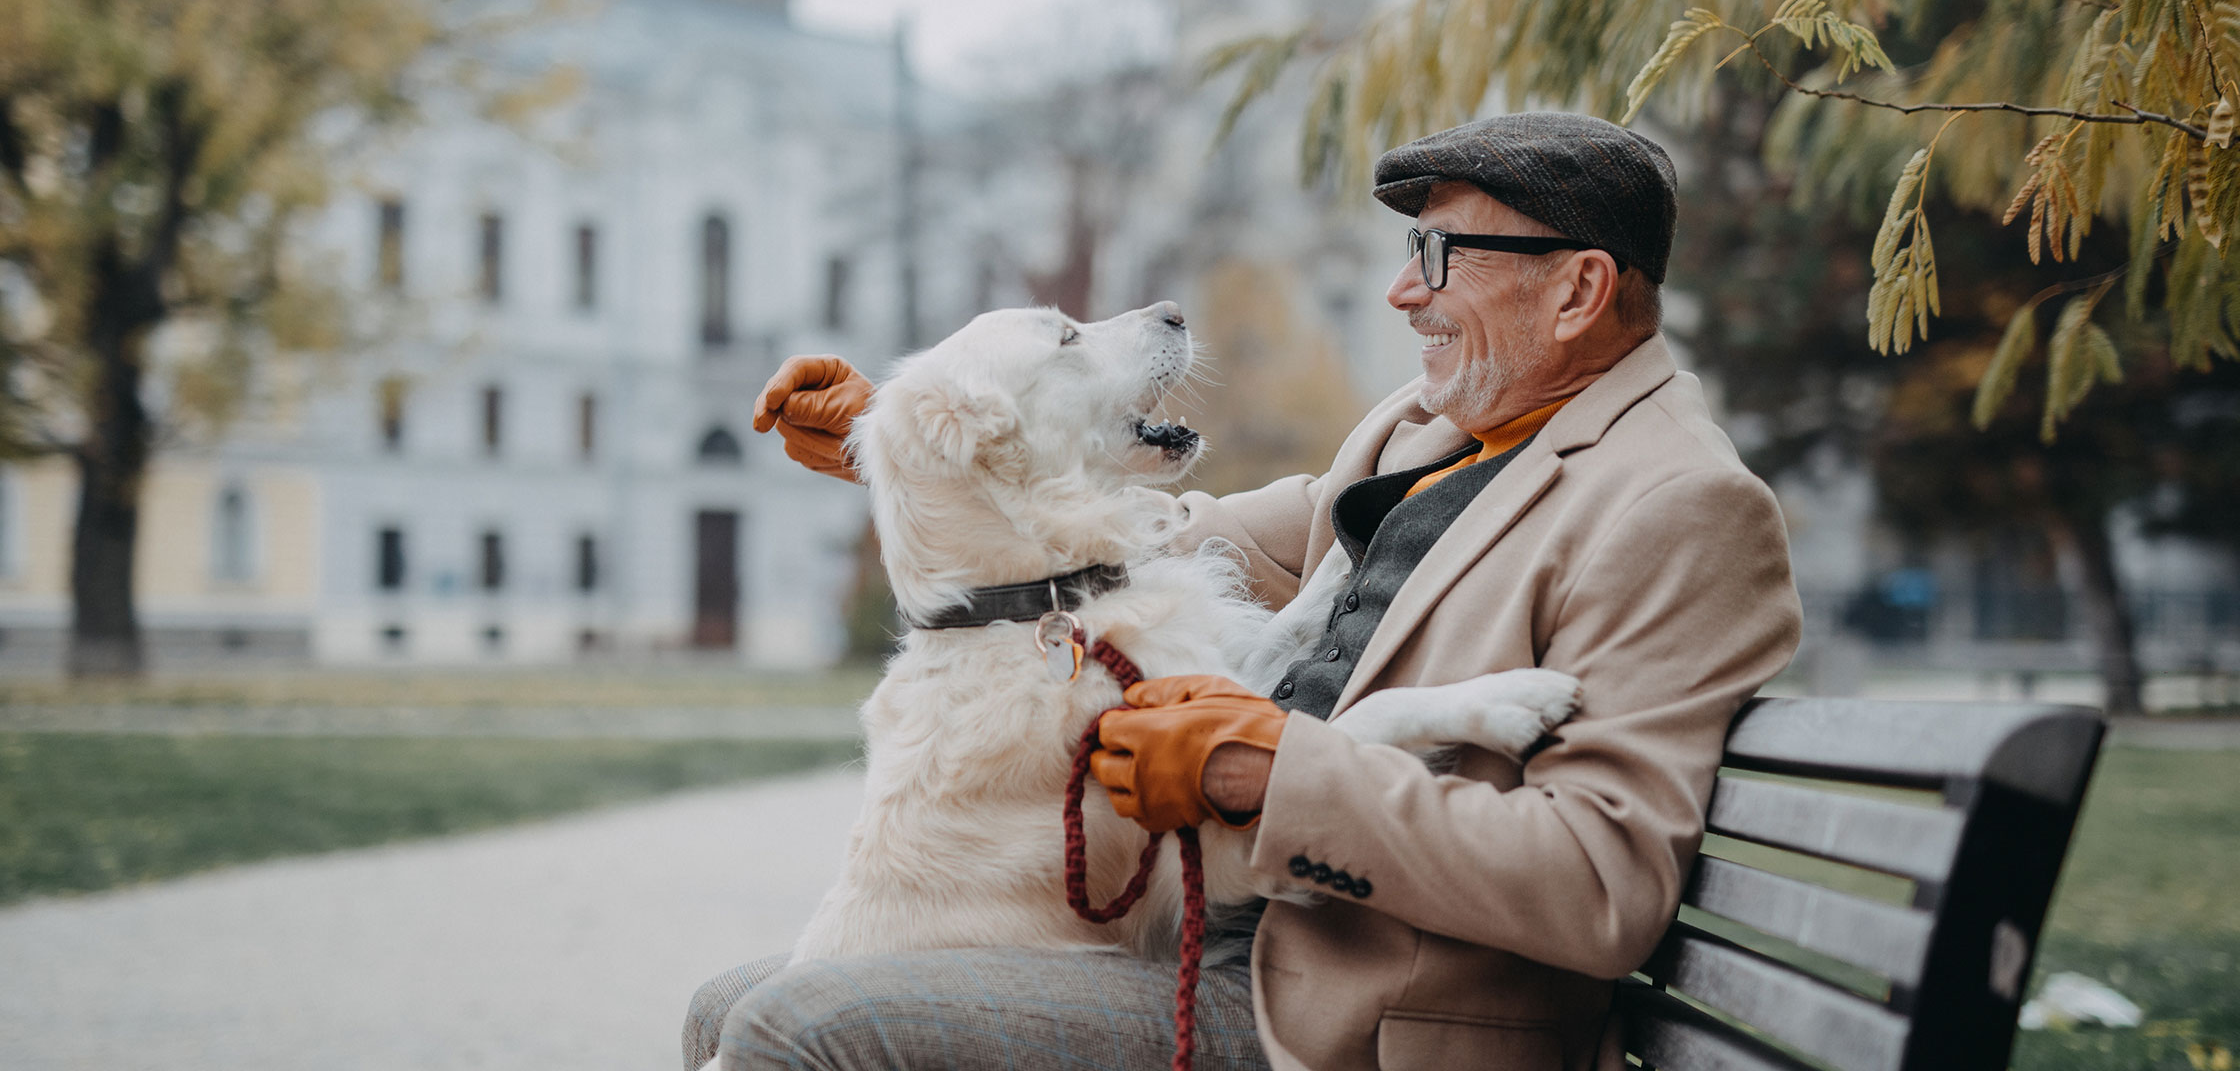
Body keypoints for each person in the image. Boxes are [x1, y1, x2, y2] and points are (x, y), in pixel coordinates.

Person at [687, 112, 1802, 1071]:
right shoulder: (1430, 432)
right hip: (1206, 927)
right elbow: (1147, 538)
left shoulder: (1677, 505)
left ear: (1577, 289)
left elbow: (1598, 886)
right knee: (724, 1005)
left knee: (798, 1026)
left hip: (1332, 1008)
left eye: (1440, 253)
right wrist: (922, 435)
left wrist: (1267, 774)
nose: (1399, 287)